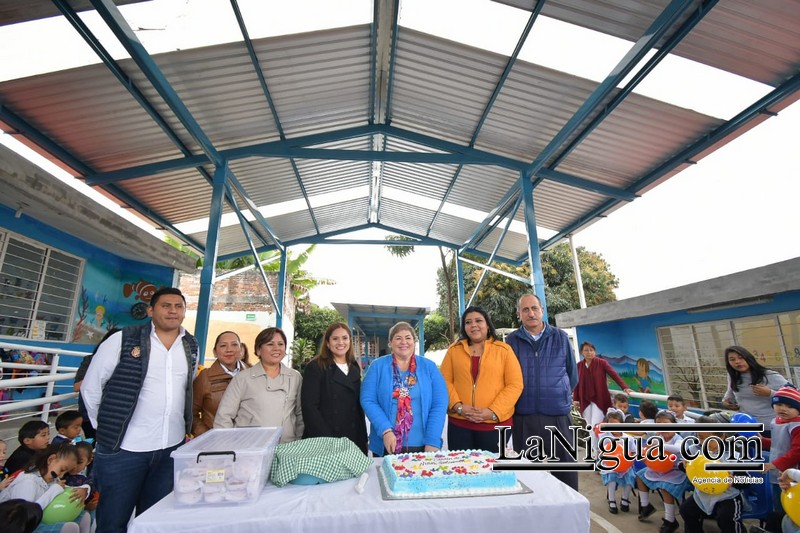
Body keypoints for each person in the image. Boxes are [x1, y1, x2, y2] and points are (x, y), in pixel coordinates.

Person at [80, 287, 199, 533]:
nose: (173, 311)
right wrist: (106, 430)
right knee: (113, 522)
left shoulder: (190, 345)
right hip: (124, 450)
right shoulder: (123, 339)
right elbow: (91, 388)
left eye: (178, 306)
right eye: (166, 305)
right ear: (150, 310)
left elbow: (186, 389)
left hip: (170, 448)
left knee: (154, 522)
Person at [505, 294, 579, 491]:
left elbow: (572, 375)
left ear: (542, 311)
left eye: (534, 308)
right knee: (528, 475)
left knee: (566, 471)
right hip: (524, 417)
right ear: (518, 314)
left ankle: (569, 513)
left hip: (557, 416)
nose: (531, 313)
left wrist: (558, 394)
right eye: (525, 309)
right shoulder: (511, 341)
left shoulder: (560, 337)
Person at [439, 307, 523, 453]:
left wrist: (493, 412)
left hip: (495, 425)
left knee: (491, 472)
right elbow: (444, 380)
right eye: (468, 322)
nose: (473, 325)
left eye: (478, 321)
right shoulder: (454, 350)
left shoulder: (504, 350)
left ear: (488, 325)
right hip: (460, 424)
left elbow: (515, 385)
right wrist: (458, 407)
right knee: (462, 471)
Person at [360, 322, 448, 455]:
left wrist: (432, 440)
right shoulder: (377, 367)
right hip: (387, 443)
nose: (403, 342)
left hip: (423, 444)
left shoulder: (429, 367)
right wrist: (385, 430)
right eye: (398, 338)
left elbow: (439, 404)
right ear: (390, 343)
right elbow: (368, 400)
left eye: (408, 338)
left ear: (414, 341)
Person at [215, 327, 303, 443]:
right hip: (250, 448)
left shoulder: (295, 377)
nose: (276, 348)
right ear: (258, 350)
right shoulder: (242, 378)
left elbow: (300, 415)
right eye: (270, 344)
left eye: (281, 344)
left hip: (287, 448)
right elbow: (224, 417)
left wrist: (297, 441)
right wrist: (229, 446)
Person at [301, 322, 368, 454]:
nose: (340, 342)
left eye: (345, 338)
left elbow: (358, 408)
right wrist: (328, 439)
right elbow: (309, 408)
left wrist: (363, 438)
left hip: (353, 437)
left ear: (350, 340)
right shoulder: (316, 367)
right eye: (335, 338)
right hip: (326, 439)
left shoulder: (354, 367)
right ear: (327, 343)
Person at [0, 443, 91, 533]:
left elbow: (63, 490)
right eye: (62, 470)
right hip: (18, 526)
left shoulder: (51, 478)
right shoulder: (28, 482)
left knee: (83, 516)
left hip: (35, 521)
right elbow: (26, 516)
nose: (62, 475)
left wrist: (84, 490)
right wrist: (54, 490)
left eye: (66, 472)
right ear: (51, 459)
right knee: (69, 527)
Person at [679, 416, 746, 533]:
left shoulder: (733, 455)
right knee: (686, 510)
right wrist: (684, 464)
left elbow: (746, 480)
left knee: (726, 518)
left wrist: (734, 480)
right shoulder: (693, 450)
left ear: (721, 436)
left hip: (727, 496)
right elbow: (685, 468)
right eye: (700, 437)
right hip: (702, 494)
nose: (704, 442)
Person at [635, 410, 690, 533]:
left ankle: (670, 520)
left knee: (665, 487)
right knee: (640, 475)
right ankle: (646, 506)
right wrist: (646, 457)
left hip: (676, 471)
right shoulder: (657, 438)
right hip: (658, 470)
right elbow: (647, 452)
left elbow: (677, 449)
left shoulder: (678, 439)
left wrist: (658, 446)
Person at [573, 341, 632, 450]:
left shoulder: (601, 363)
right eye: (586, 350)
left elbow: (614, 374)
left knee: (597, 425)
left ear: (594, 351)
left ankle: (597, 452)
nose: (589, 352)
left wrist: (624, 387)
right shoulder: (579, 366)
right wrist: (575, 399)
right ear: (582, 352)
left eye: (591, 350)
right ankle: (596, 450)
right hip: (584, 399)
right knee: (590, 427)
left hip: (599, 399)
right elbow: (576, 383)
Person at [192, 331, 249, 436]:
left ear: (241, 349)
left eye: (234, 344)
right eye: (223, 346)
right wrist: (207, 436)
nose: (229, 350)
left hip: (248, 441)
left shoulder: (252, 373)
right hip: (216, 444)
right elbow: (191, 414)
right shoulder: (204, 377)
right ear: (215, 352)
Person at [722, 345, 789, 436]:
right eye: (732, 359)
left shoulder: (768, 375)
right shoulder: (733, 376)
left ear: (748, 358)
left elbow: (794, 395)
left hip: (771, 427)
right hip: (745, 426)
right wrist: (727, 402)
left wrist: (770, 393)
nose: (737, 362)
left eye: (741, 358)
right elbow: (730, 394)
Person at [72, 329, 121, 442]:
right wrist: (100, 376)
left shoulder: (129, 361)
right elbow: (77, 386)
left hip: (116, 416)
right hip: (90, 415)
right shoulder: (90, 360)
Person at [598, 408, 635, 514]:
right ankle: (612, 499)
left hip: (625, 465)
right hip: (610, 464)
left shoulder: (628, 438)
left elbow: (633, 452)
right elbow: (601, 451)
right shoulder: (604, 437)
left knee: (630, 476)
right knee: (612, 478)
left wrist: (629, 460)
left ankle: (625, 498)